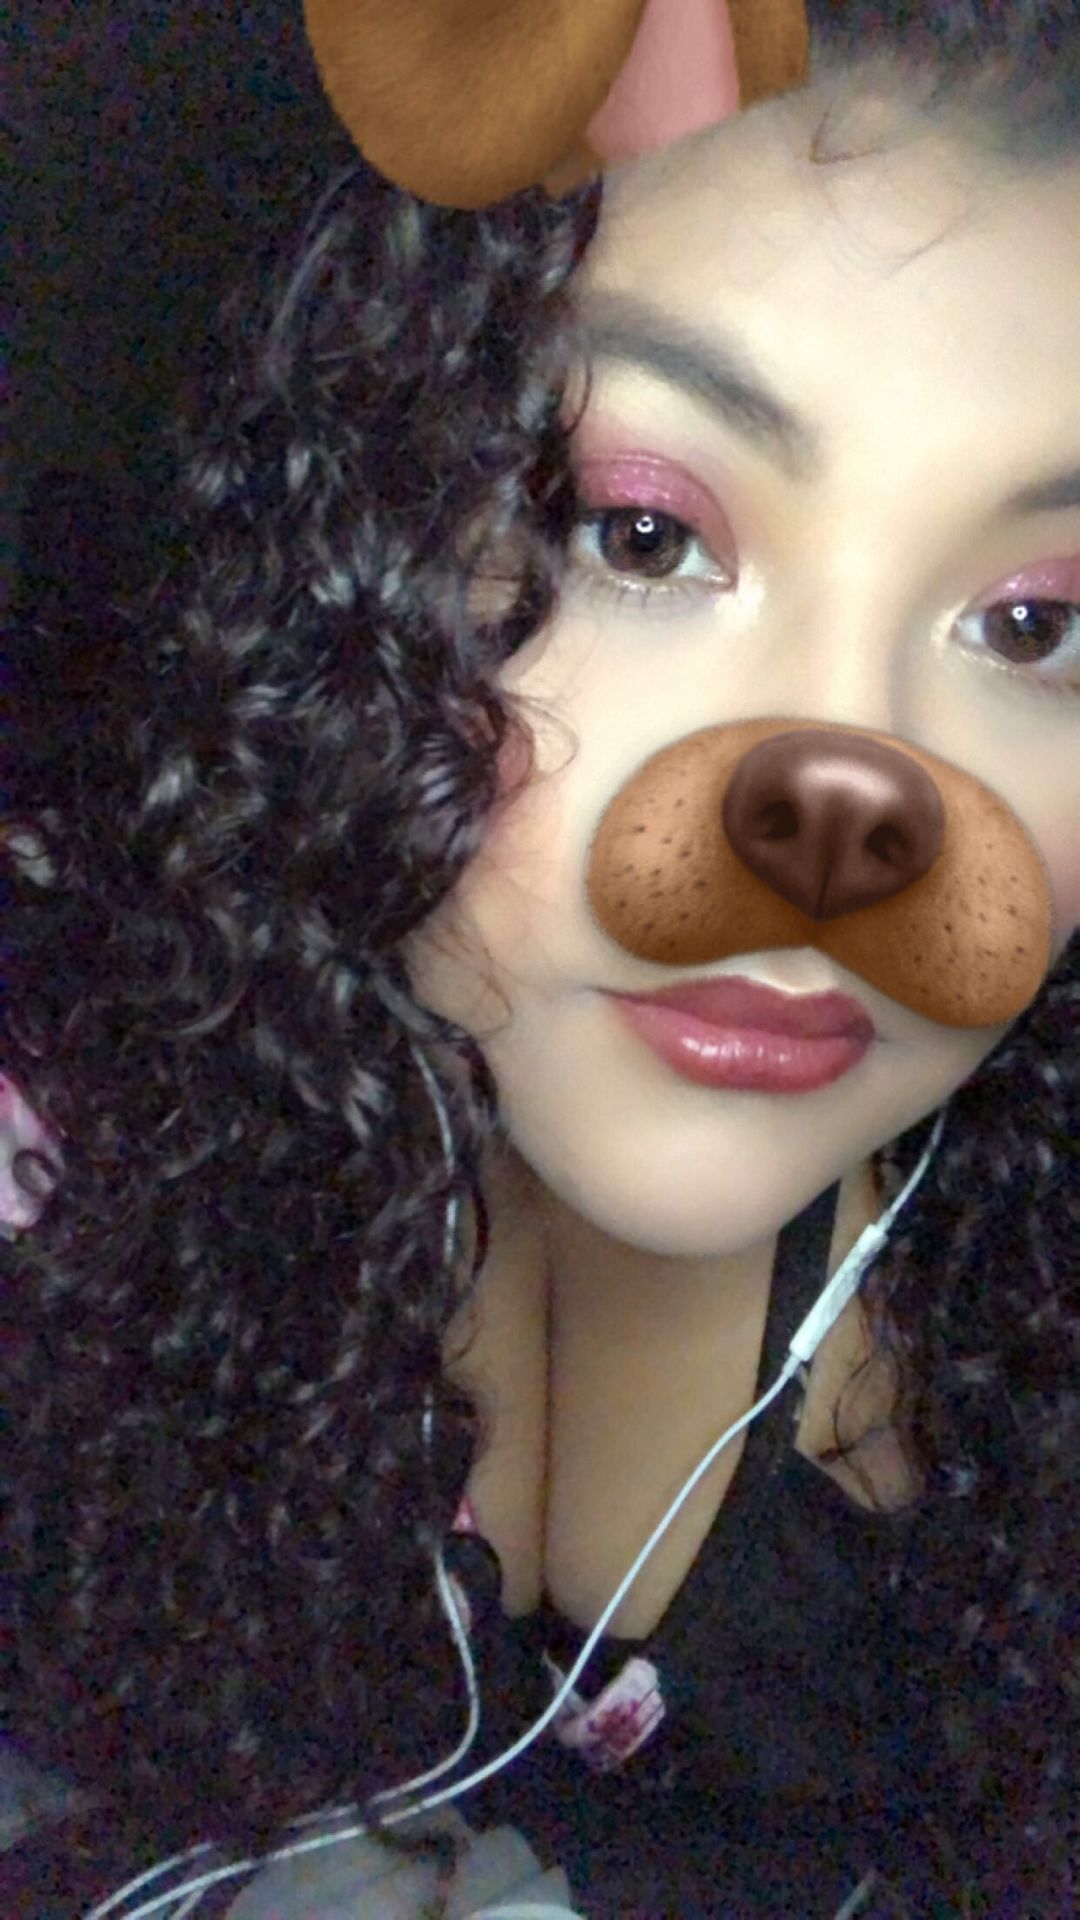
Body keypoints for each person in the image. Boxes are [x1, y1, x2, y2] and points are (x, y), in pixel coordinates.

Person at [2, 2, 1077, 1913]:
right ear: (359, 541)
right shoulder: (97, 1112)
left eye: (1033, 624)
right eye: (641, 538)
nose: (845, 811)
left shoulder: (1010, 1354)